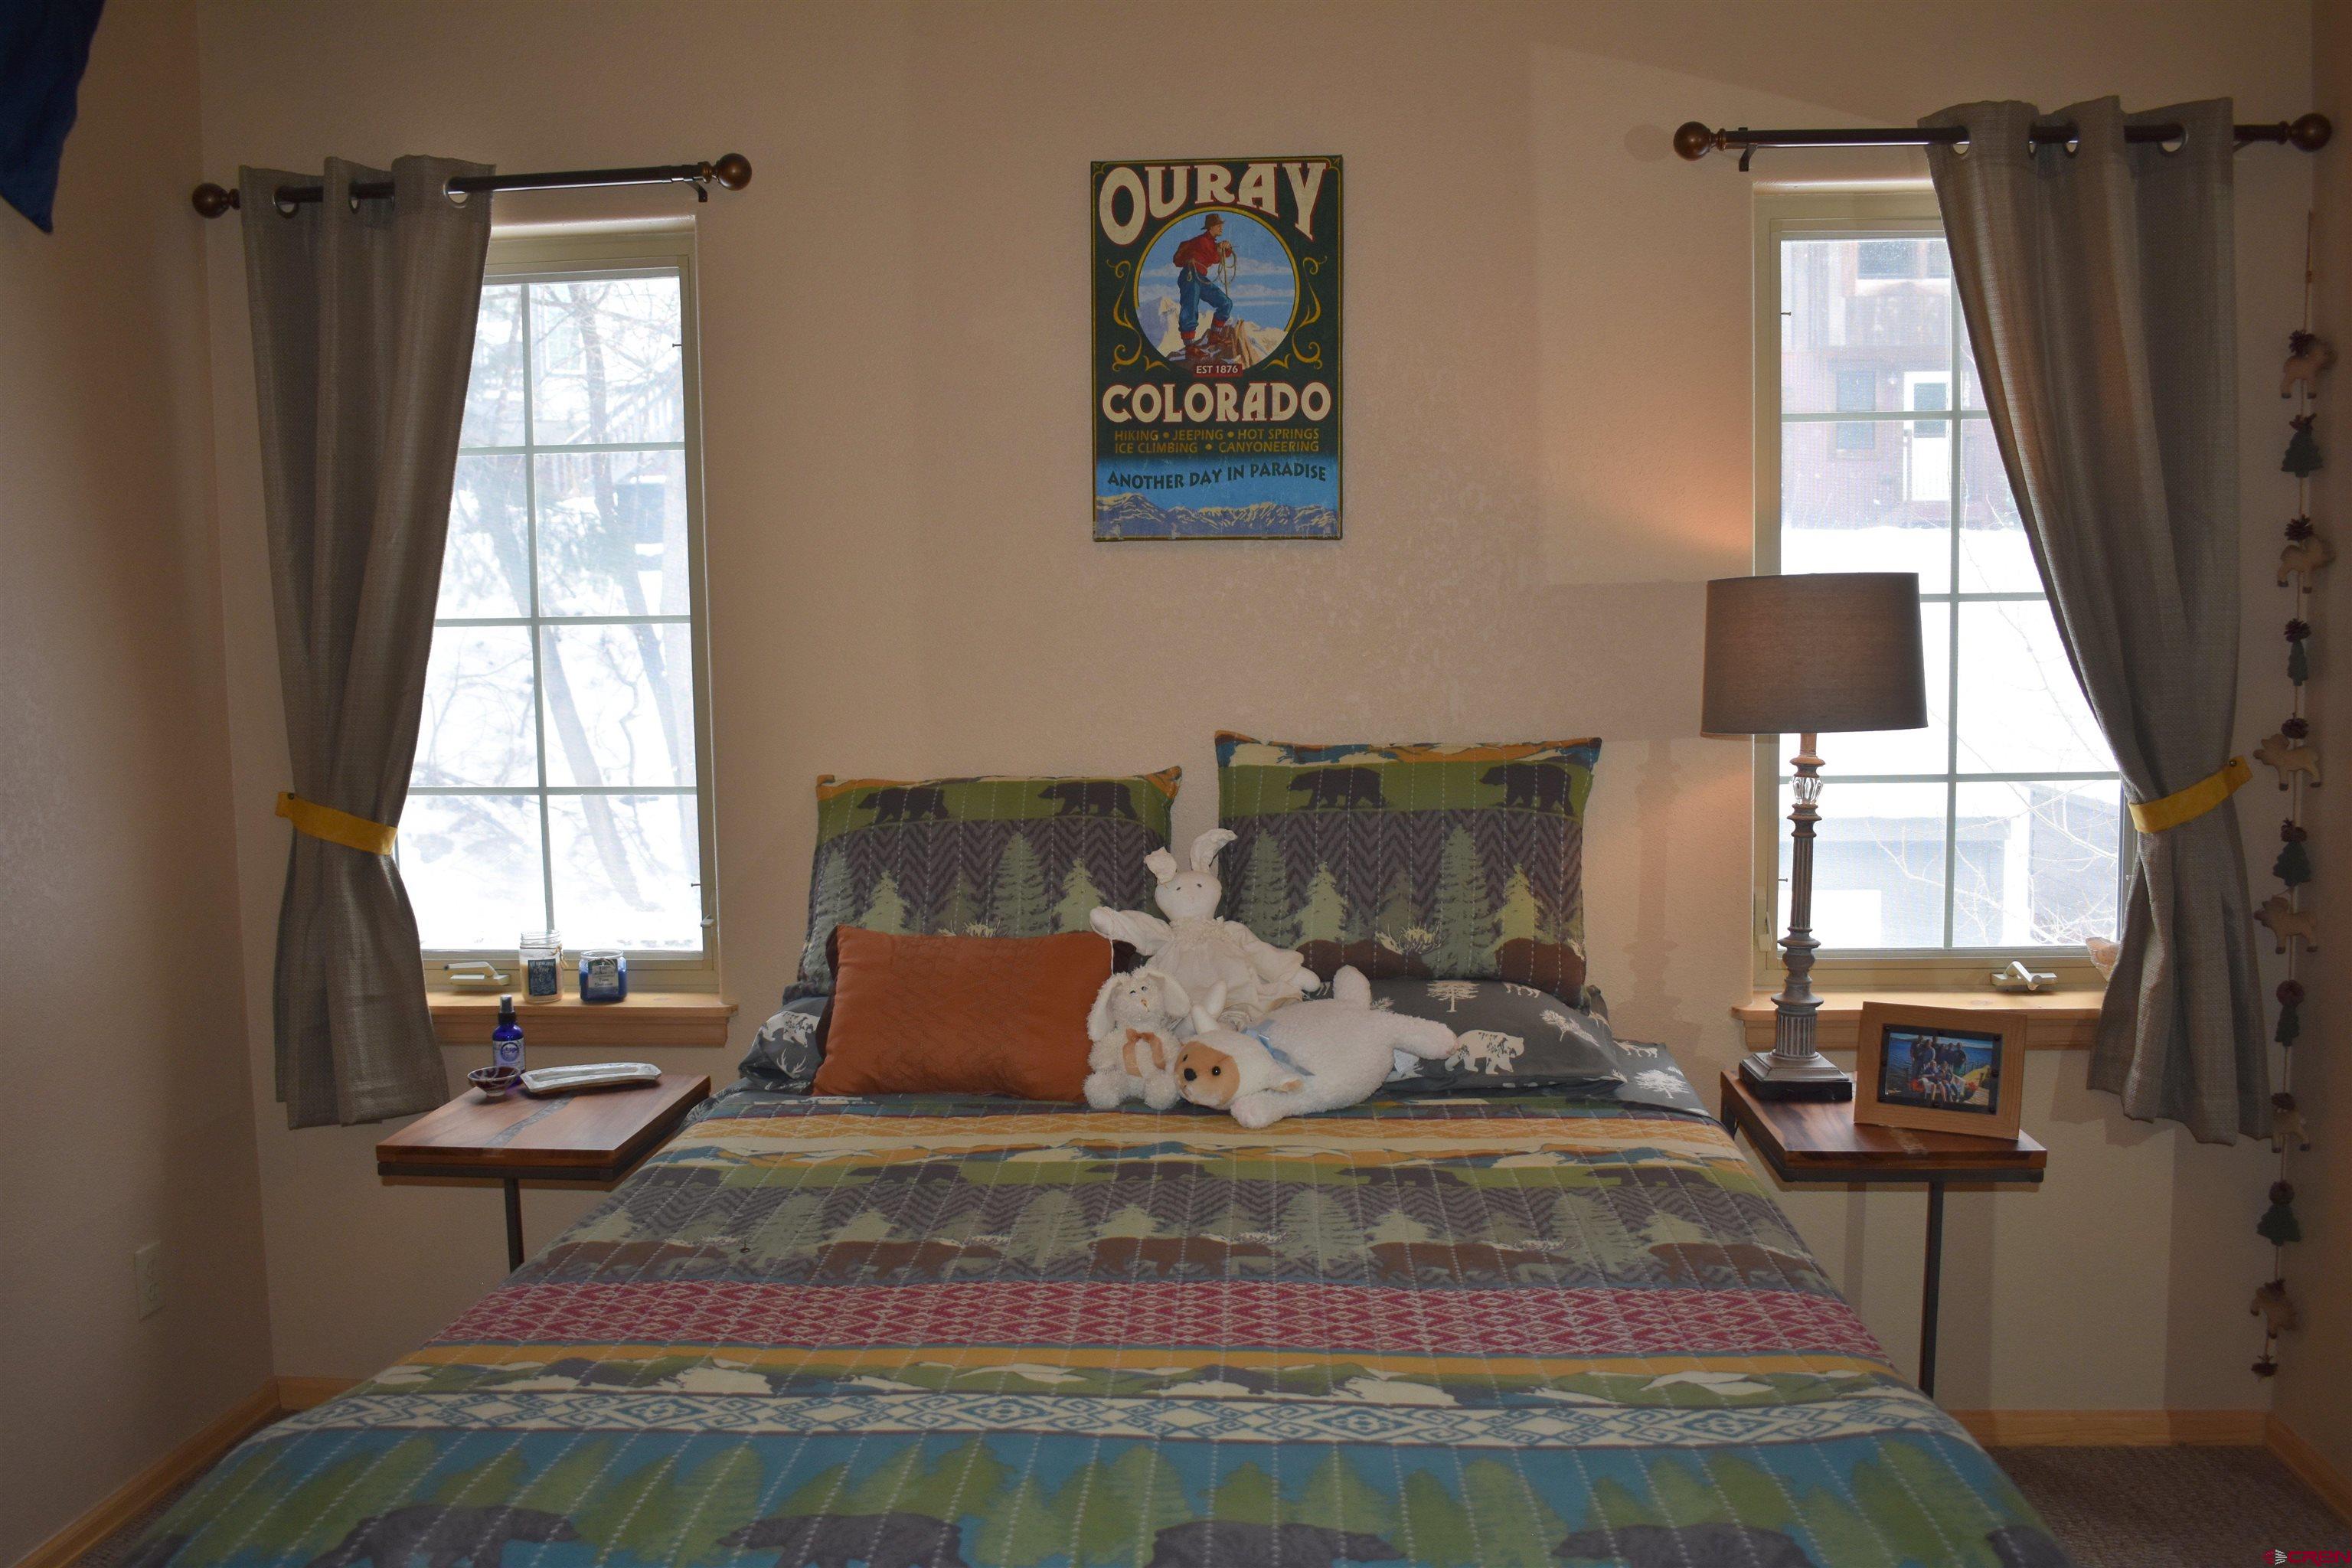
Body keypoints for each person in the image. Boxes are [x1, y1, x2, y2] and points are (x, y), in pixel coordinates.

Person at [1171, 214, 1235, 361]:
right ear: (1211, 227)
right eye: (1219, 225)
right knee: (1190, 307)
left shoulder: (1211, 242)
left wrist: (1225, 248)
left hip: (1200, 277)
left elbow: (1216, 255)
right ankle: (1190, 347)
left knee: (1225, 303)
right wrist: (1224, 248)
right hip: (1191, 275)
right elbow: (1214, 257)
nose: (1222, 227)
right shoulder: (1202, 240)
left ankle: (1214, 336)